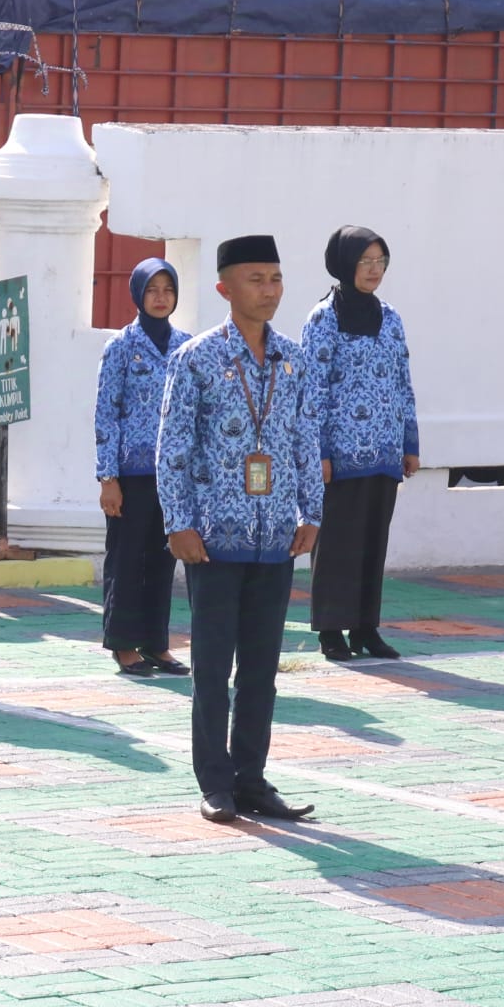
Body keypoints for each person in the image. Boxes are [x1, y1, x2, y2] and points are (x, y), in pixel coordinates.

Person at [156, 235, 322, 824]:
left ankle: (251, 779)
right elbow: (172, 447)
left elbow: (306, 440)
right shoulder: (196, 358)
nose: (269, 290)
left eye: (275, 278)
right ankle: (215, 783)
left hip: (275, 536)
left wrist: (312, 513)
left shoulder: (294, 360)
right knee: (211, 667)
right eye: (256, 279)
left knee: (260, 670)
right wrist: (178, 522)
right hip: (213, 541)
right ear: (225, 289)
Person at [301, 227, 419, 662]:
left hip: (384, 452)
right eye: (365, 261)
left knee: (372, 542)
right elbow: (312, 390)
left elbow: (403, 382)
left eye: (380, 262)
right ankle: (331, 630)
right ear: (344, 264)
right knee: (336, 543)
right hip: (340, 455)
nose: (374, 270)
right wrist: (319, 453)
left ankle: (366, 629)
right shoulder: (323, 318)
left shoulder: (391, 317)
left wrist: (409, 443)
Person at [94, 258, 192, 677]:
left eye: (168, 290)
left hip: (173, 476)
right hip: (130, 476)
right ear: (138, 294)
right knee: (127, 559)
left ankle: (156, 643)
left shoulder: (187, 346)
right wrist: (108, 478)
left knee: (162, 559)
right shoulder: (121, 346)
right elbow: (106, 413)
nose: (161, 297)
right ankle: (123, 644)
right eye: (152, 289)